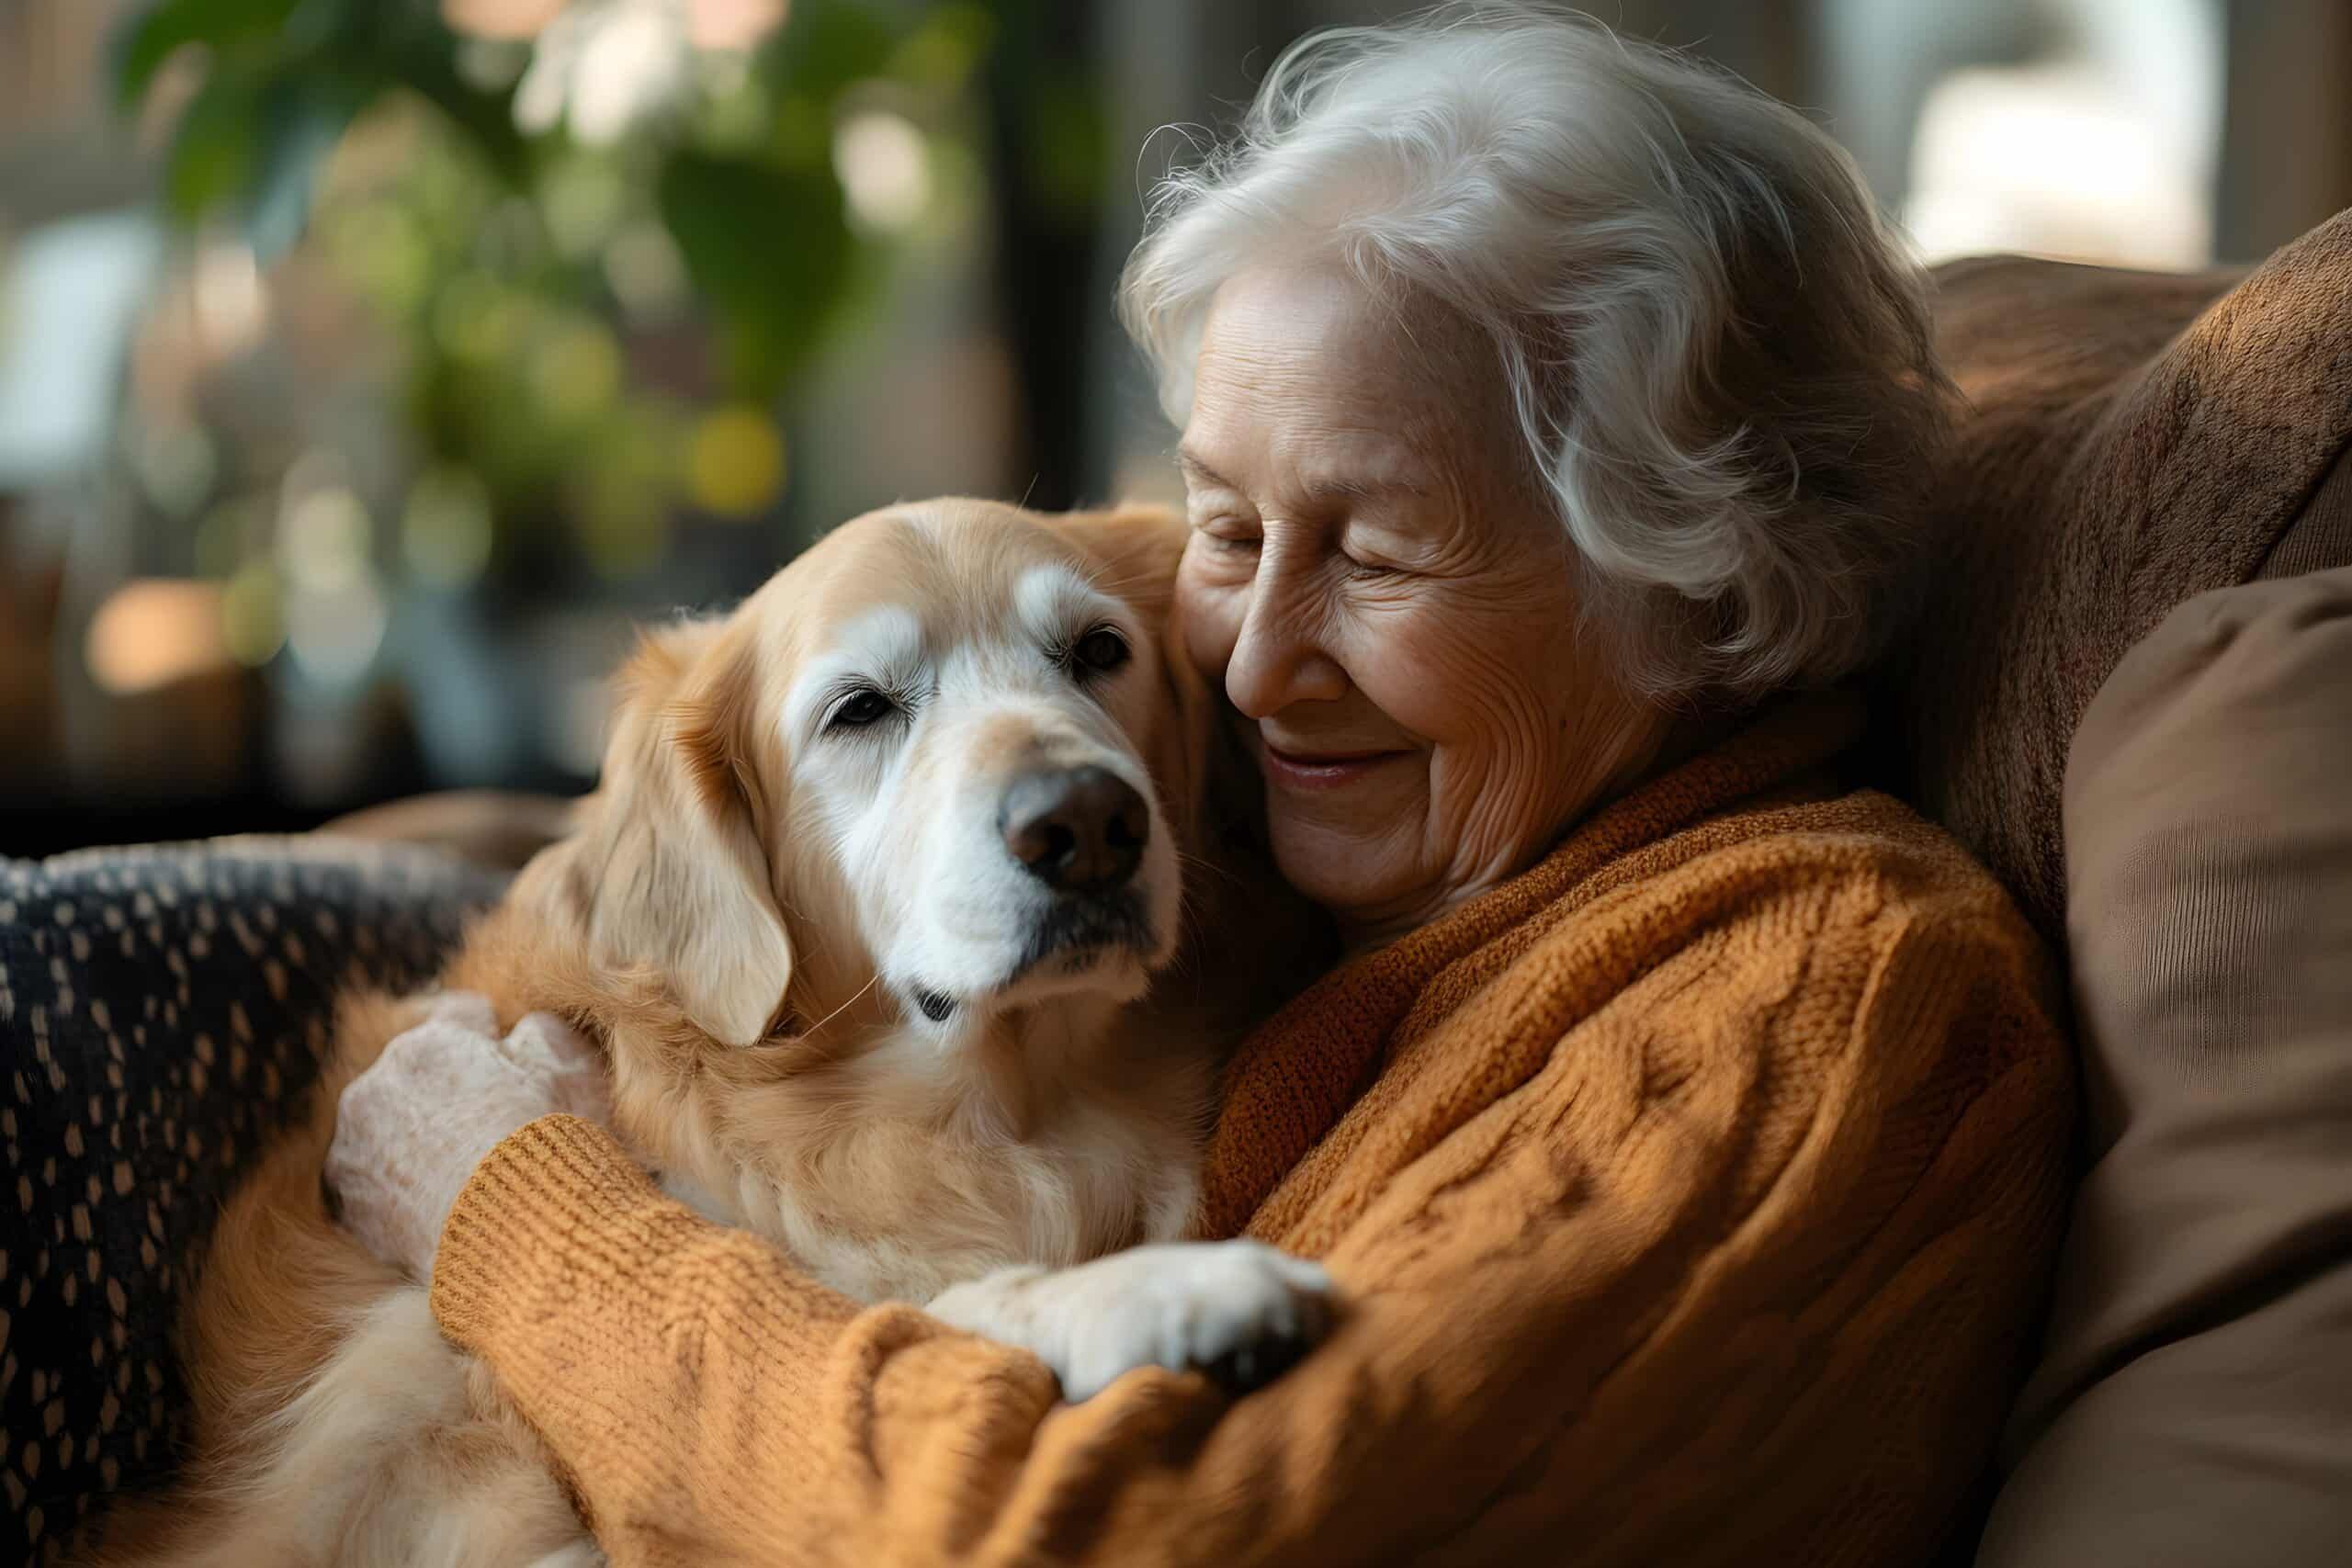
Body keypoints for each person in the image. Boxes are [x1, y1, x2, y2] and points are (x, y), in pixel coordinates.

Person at [328, 8, 2075, 1563]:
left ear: (1697, 588)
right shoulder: (1373, 878)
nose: (1243, 668)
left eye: (1380, 558)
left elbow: (1137, 1531)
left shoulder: (1806, 998)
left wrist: (521, 1223)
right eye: (1227, 531)